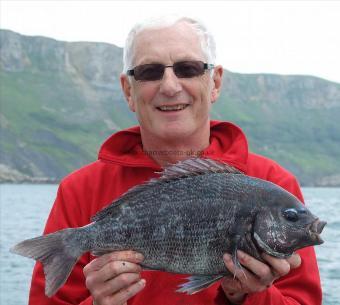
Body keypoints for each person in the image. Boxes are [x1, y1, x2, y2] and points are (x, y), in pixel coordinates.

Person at [28, 15, 322, 305]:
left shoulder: (275, 183)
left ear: (215, 82)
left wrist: (246, 295)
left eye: (188, 68)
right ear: (129, 90)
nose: (169, 86)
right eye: (149, 72)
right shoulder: (79, 190)